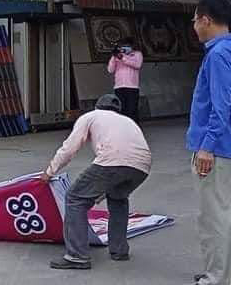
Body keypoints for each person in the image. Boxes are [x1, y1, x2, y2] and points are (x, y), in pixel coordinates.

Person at [176, 0, 231, 285]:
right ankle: (230, 271)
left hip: (216, 149)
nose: (194, 26)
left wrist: (206, 146)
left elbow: (220, 107)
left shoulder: (218, 55)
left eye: (195, 20)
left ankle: (215, 280)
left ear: (206, 20)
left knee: (212, 216)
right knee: (229, 212)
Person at [41, 94, 151, 270]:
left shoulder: (91, 116)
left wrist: (50, 171)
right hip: (142, 166)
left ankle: (77, 256)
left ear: (97, 107)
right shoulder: (127, 121)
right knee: (118, 199)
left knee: (75, 199)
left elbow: (70, 147)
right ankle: (119, 250)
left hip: (113, 160)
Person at [107, 37, 143, 122]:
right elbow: (110, 70)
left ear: (132, 46)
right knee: (121, 110)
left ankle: (134, 127)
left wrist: (123, 58)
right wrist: (114, 57)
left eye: (127, 46)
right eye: (122, 46)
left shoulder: (137, 54)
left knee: (132, 110)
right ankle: (124, 128)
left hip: (132, 87)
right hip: (119, 87)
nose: (124, 47)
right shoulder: (117, 55)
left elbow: (137, 65)